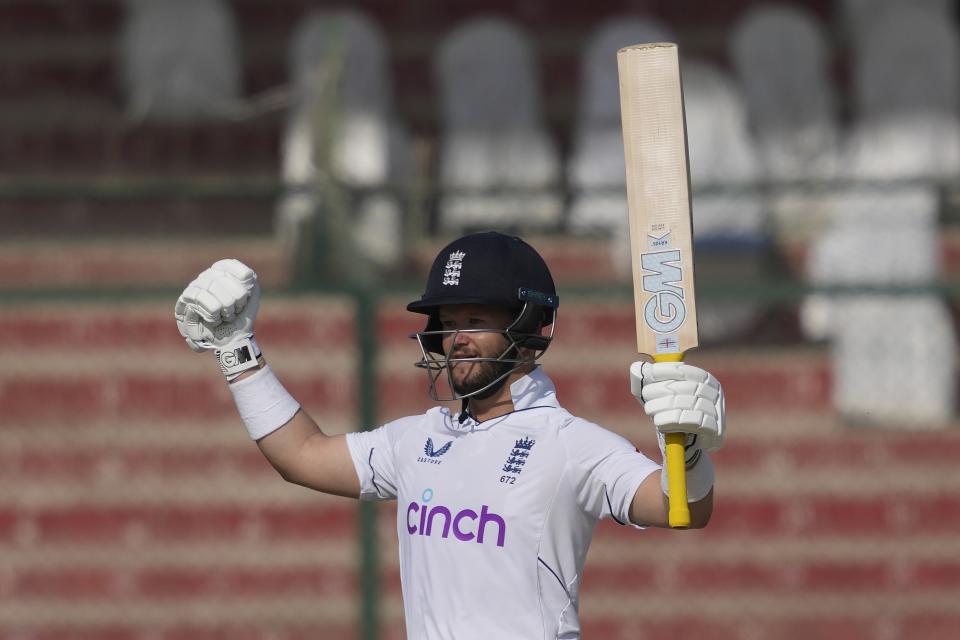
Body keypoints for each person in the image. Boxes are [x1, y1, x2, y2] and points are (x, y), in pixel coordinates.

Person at [174, 231, 725, 640]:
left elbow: (681, 507)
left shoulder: (570, 443)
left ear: (534, 329)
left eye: (478, 319)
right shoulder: (416, 440)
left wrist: (690, 449)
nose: (458, 338)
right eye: (449, 321)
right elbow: (302, 456)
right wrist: (237, 353)